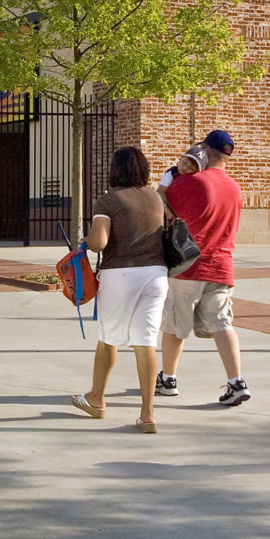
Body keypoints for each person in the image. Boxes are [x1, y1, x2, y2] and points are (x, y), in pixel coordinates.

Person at [71, 146, 169, 433]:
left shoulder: (108, 200)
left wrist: (85, 239)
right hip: (156, 274)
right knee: (146, 341)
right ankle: (147, 413)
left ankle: (96, 398)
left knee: (108, 339)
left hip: (120, 274)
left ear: (115, 170)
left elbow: (100, 243)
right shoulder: (155, 197)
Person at [157, 130, 249, 406]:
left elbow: (160, 207)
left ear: (204, 151)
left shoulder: (189, 182)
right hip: (222, 266)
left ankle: (168, 379)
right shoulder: (235, 188)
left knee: (175, 326)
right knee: (223, 323)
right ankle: (236, 382)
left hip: (187, 266)